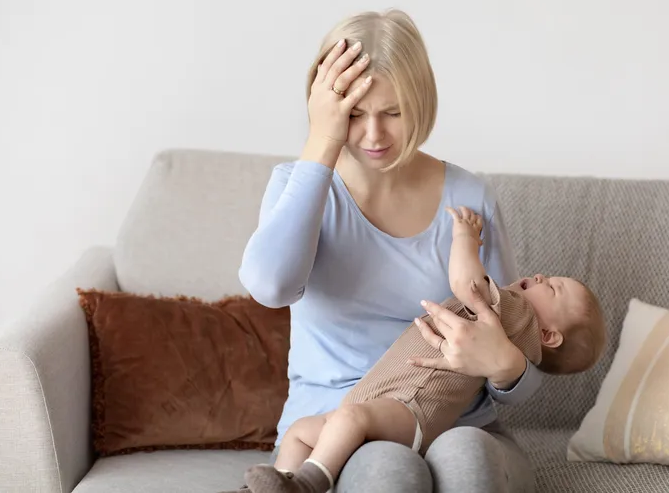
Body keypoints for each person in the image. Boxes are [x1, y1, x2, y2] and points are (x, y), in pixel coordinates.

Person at [236, 8, 542, 492]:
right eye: (354, 114)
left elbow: (515, 353)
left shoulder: (469, 197)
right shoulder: (297, 186)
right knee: (387, 470)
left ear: (420, 103)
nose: (374, 135)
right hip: (333, 434)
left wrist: (506, 366)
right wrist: (322, 142)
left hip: (460, 424)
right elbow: (271, 287)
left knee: (465, 456)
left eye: (393, 113)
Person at [241, 206, 606, 493]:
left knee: (350, 421)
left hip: (411, 405)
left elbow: (467, 284)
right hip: (383, 399)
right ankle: (281, 486)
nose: (541, 276)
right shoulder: (512, 321)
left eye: (552, 287)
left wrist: (465, 238)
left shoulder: (517, 315)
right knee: (300, 432)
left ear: (548, 336)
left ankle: (308, 484)